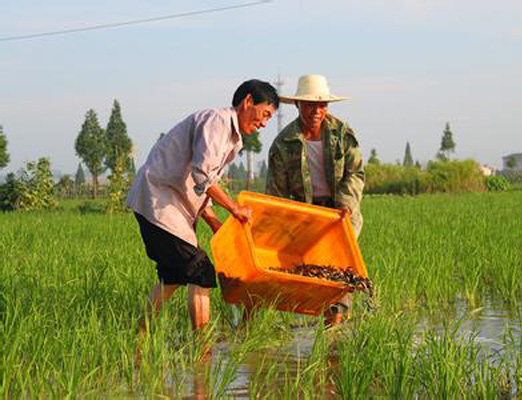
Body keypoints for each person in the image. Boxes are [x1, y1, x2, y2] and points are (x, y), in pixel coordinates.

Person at [129, 79, 279, 334]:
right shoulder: (218, 122)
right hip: (160, 202)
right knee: (201, 272)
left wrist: (213, 222)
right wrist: (234, 208)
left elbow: (203, 186)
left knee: (174, 275)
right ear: (248, 102)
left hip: (167, 204)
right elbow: (203, 174)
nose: (264, 123)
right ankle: (203, 348)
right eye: (264, 114)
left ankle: (140, 335)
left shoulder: (231, 138)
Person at [265, 74, 364, 326]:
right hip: (305, 215)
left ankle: (336, 323)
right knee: (311, 272)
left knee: (340, 268)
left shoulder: (342, 134)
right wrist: (282, 226)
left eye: (322, 105)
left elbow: (355, 173)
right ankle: (317, 318)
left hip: (340, 213)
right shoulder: (283, 143)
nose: (316, 111)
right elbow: (276, 192)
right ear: (298, 105)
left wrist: (345, 203)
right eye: (310, 105)